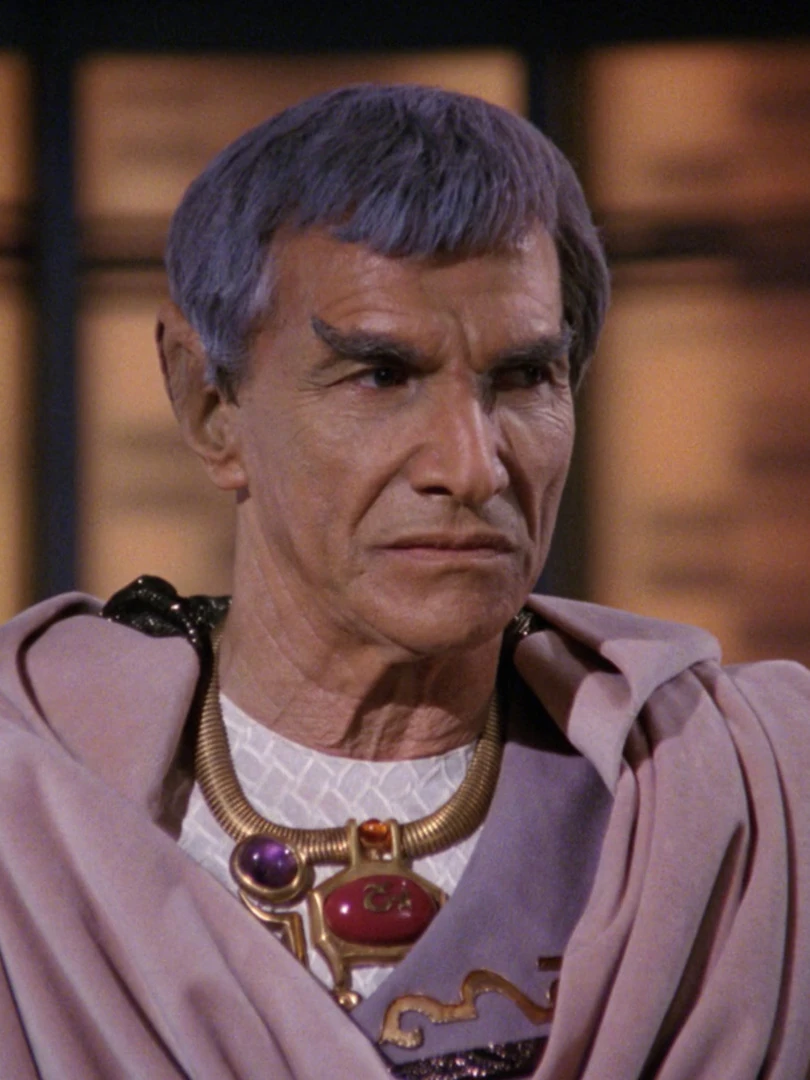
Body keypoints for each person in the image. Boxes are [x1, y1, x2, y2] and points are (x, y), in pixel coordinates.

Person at [1, 84, 808, 1080]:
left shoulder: (743, 796)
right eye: (381, 376)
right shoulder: (30, 814)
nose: (472, 467)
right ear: (209, 405)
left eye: (525, 378)